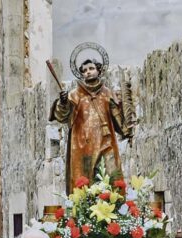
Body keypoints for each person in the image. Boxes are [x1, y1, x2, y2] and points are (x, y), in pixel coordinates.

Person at [50, 56, 132, 191]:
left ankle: (116, 208)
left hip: (106, 142)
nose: (88, 72)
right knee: (85, 182)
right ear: (81, 74)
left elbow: (118, 120)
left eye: (91, 68)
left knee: (112, 177)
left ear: (99, 71)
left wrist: (127, 126)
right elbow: (62, 116)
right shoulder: (74, 95)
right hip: (83, 145)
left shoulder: (107, 93)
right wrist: (63, 103)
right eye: (84, 70)